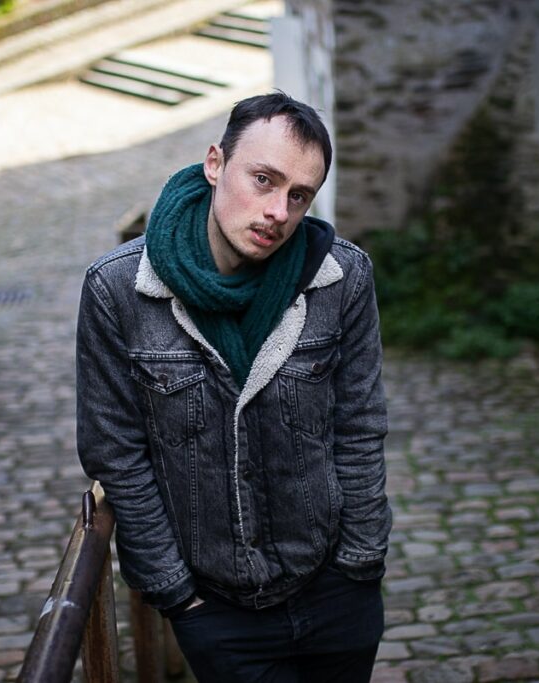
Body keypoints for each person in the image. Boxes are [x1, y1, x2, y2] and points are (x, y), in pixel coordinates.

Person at [76, 92, 391, 682]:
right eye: (264, 180)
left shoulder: (339, 277)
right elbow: (115, 454)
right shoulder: (118, 290)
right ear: (216, 163)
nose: (278, 210)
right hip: (218, 611)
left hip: (335, 593)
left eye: (298, 195)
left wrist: (360, 561)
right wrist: (178, 596)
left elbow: (361, 425)